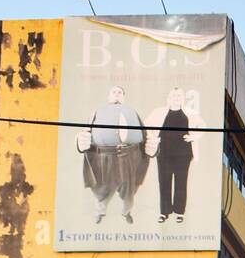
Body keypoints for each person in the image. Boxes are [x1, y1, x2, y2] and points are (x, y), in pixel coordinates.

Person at [80, 85, 148, 224]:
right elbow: (85, 132)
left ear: (123, 97)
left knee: (128, 190)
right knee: (102, 188)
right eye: (114, 91)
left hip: (128, 157)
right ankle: (100, 211)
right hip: (104, 158)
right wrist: (81, 143)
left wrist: (151, 148)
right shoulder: (97, 111)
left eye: (120, 92)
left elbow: (145, 134)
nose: (117, 93)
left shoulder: (132, 111)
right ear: (108, 96)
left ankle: (126, 212)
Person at [151, 88, 196, 224]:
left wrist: (194, 136)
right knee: (164, 181)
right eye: (173, 95)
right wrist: (154, 137)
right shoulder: (160, 113)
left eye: (179, 95)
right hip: (164, 152)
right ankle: (164, 212)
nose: (176, 98)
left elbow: (203, 126)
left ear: (183, 98)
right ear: (169, 98)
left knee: (181, 182)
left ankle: (179, 212)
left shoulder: (189, 113)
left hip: (183, 153)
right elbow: (148, 125)